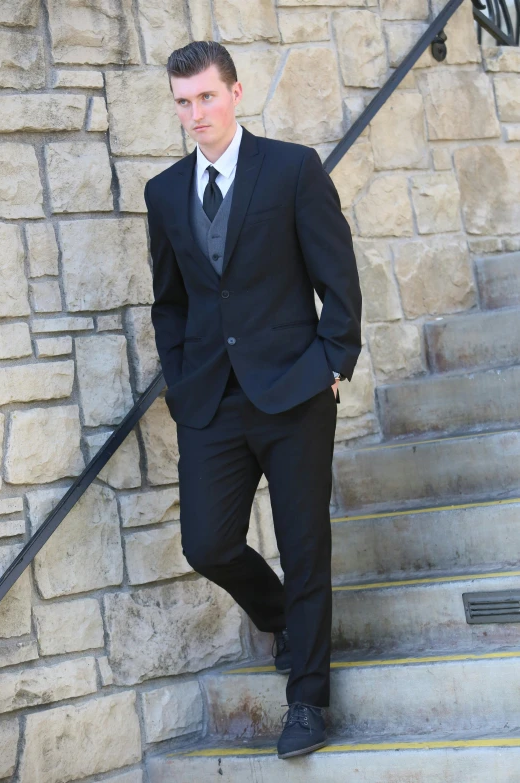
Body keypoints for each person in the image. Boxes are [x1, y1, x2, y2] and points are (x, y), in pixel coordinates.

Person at [143, 40, 362, 759]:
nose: (195, 113)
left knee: (305, 547)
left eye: (206, 96)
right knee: (206, 542)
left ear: (235, 93)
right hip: (211, 400)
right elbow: (170, 301)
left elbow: (338, 272)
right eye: (183, 102)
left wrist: (334, 358)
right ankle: (283, 620)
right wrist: (178, 379)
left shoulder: (293, 169)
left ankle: (308, 699)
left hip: (295, 390)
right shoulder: (165, 193)